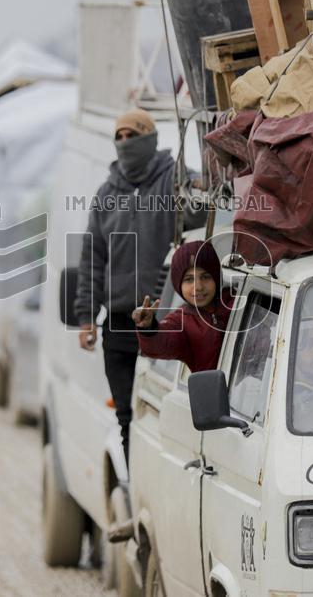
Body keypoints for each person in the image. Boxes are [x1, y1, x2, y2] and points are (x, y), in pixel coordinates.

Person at [75, 108, 205, 460]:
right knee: (127, 420)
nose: (125, 142)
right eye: (119, 136)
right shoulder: (106, 194)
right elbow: (92, 259)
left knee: (167, 419)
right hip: (118, 327)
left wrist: (194, 188)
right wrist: (86, 316)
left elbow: (197, 210)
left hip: (165, 322)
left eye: (133, 135)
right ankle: (135, 496)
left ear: (149, 138)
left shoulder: (171, 179)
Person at [132, 240, 232, 373]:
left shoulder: (237, 301)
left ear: (216, 277)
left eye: (206, 277)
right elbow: (162, 343)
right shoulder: (181, 321)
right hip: (212, 392)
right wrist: (148, 329)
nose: (198, 287)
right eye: (189, 279)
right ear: (178, 284)